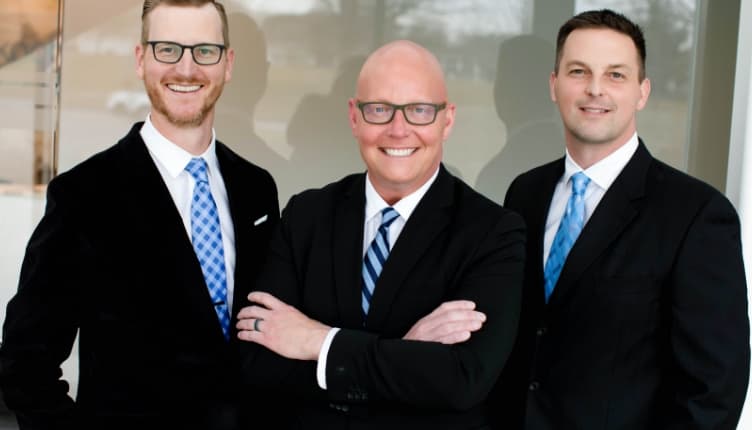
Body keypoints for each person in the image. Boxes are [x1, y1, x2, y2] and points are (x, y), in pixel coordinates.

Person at [0, 1, 279, 429]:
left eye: (205, 50)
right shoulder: (83, 196)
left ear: (228, 64)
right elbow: (24, 362)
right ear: (140, 59)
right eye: (168, 49)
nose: (186, 69)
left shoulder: (256, 188)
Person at [236, 40, 526, 429]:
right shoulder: (306, 216)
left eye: (420, 110)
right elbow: (258, 363)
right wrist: (406, 355)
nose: (399, 129)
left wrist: (316, 341)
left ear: (448, 120)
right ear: (354, 117)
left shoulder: (493, 232)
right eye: (379, 110)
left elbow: (459, 381)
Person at [494, 9, 749, 430]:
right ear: (554, 85)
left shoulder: (696, 215)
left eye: (616, 75)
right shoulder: (525, 193)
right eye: (579, 71)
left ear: (642, 91)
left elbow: (713, 391)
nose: (595, 89)